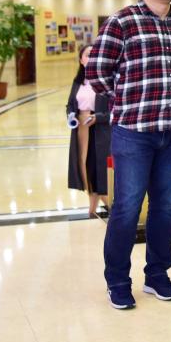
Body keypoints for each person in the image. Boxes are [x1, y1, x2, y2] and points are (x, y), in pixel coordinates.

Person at [86, 0, 171, 310]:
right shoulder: (122, 22)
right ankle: (118, 280)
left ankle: (157, 275)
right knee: (127, 207)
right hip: (134, 131)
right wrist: (128, 99)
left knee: (165, 208)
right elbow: (97, 73)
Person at [66, 45, 111, 218]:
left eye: (95, 54)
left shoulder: (106, 81)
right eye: (88, 55)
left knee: (100, 166)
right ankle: (94, 202)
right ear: (81, 60)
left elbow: (114, 110)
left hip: (100, 129)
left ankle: (106, 200)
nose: (91, 58)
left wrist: (98, 117)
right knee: (85, 165)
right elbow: (70, 104)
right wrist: (71, 115)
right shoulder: (78, 82)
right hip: (81, 129)